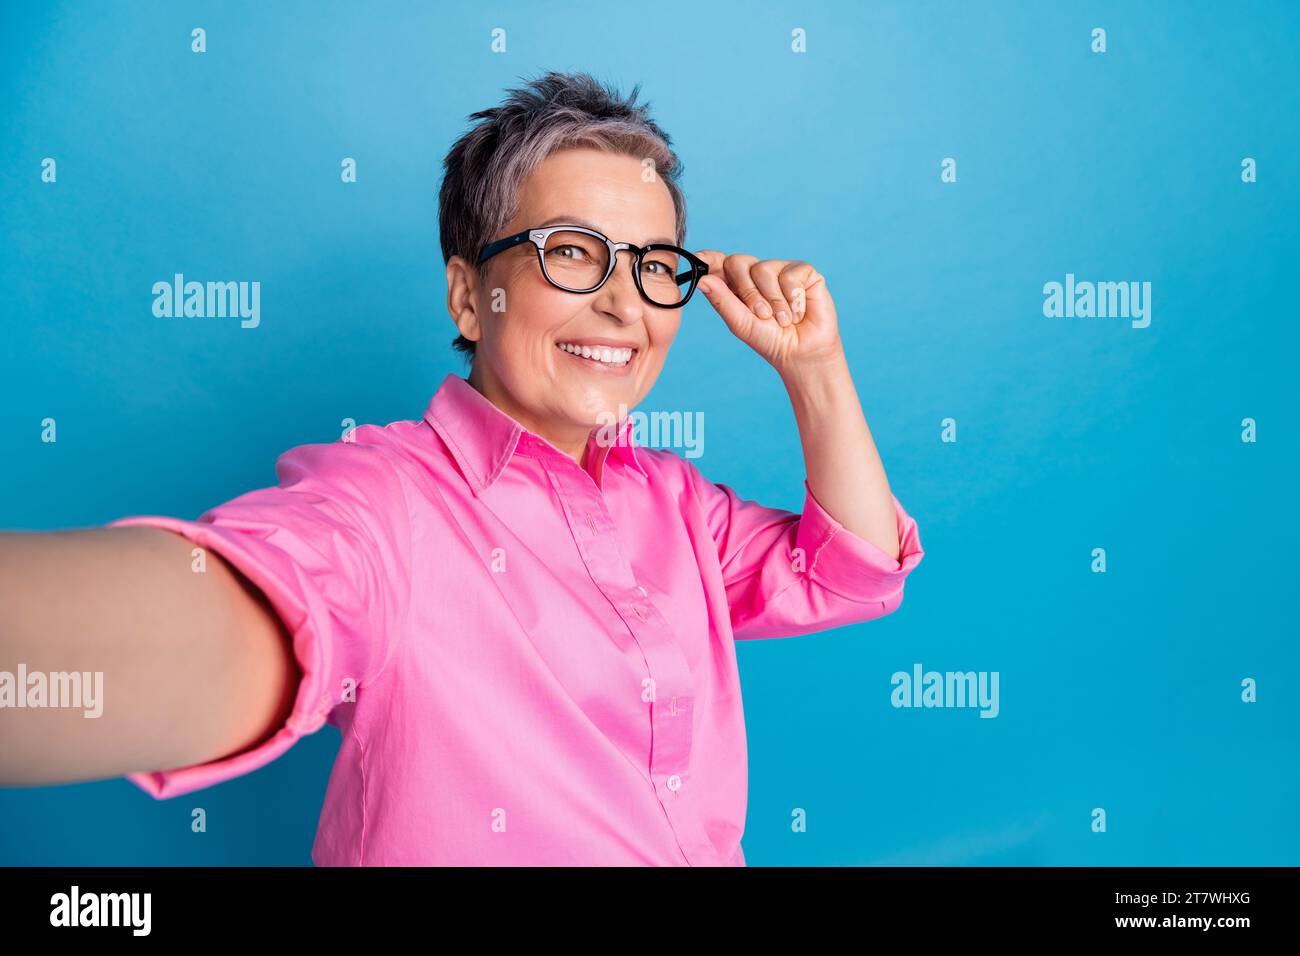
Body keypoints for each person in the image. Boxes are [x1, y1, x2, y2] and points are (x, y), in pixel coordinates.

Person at [0, 70, 924, 865]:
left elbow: (851, 575)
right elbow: (278, 594)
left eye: (651, 266)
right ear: (470, 295)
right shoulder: (387, 502)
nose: (620, 303)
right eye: (571, 252)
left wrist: (815, 366)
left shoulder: (676, 503)